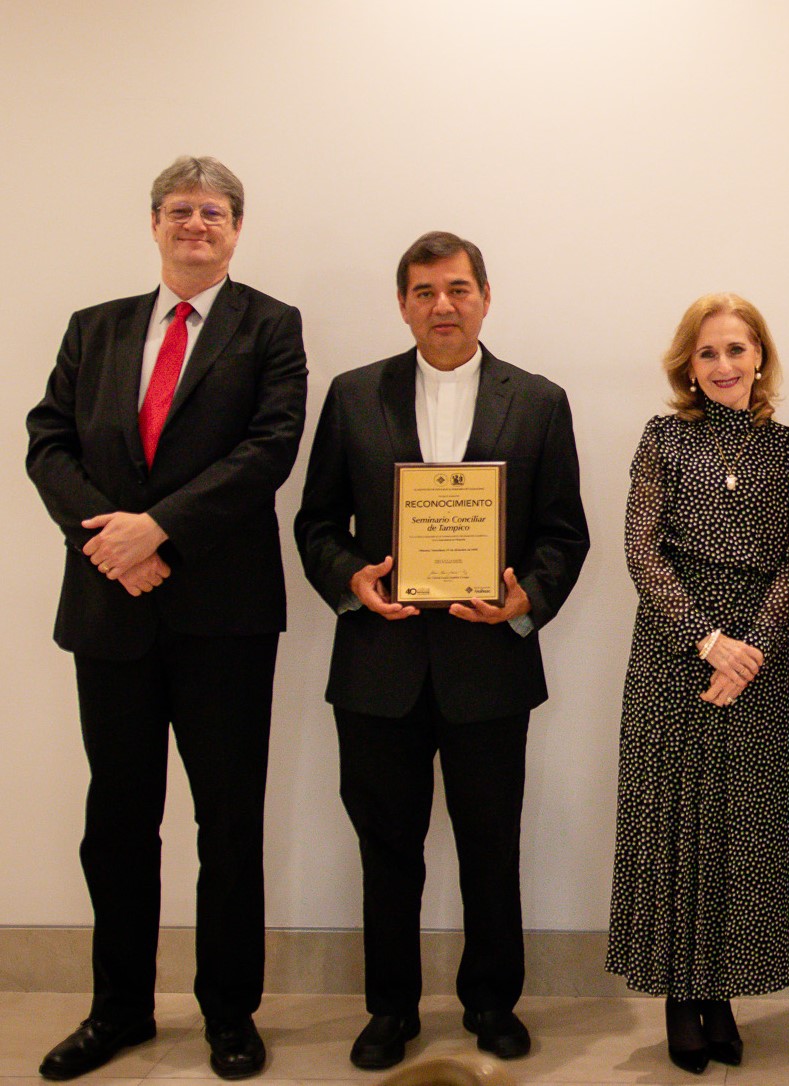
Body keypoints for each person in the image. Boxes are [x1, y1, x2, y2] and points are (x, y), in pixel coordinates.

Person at [25, 155, 306, 1082]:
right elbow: (48, 440)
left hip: (223, 617)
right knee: (117, 820)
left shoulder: (271, 326)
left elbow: (268, 448)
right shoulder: (94, 329)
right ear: (153, 224)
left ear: (236, 229)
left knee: (226, 822)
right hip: (111, 610)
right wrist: (112, 543)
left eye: (214, 212)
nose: (197, 224)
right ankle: (119, 1011)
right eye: (181, 210)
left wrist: (160, 532)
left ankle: (230, 1012)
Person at [293, 231, 590, 1070]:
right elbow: (314, 524)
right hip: (377, 668)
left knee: (490, 845)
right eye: (424, 292)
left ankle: (492, 1001)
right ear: (403, 305)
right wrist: (352, 578)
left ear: (486, 297)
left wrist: (526, 599)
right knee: (386, 848)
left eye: (457, 289)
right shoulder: (354, 396)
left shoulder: (537, 400)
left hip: (488, 666)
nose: (443, 306)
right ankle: (390, 1008)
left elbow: (564, 534)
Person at [605, 293, 789, 1074]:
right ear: (687, 367)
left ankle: (721, 994)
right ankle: (676, 999)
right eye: (707, 353)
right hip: (671, 653)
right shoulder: (663, 438)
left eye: (737, 349)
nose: (723, 365)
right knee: (673, 827)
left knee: (743, 832)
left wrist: (751, 648)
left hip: (757, 657)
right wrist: (706, 639)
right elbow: (640, 548)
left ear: (760, 358)